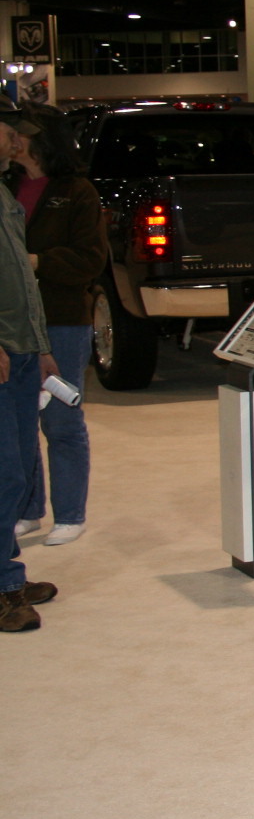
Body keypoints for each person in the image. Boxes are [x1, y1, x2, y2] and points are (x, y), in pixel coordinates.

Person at [8, 109, 107, 546]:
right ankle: (29, 508)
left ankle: (70, 512)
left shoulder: (77, 191)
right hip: (13, 321)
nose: (13, 140)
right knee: (17, 421)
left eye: (20, 133)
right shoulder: (9, 186)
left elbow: (91, 259)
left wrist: (38, 263)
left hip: (63, 319)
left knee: (62, 418)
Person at [0, 112, 60, 632]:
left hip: (19, 352)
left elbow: (20, 278)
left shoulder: (4, 193)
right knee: (5, 473)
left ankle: (8, 574)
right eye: (8, 130)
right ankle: (3, 587)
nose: (18, 140)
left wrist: (38, 346)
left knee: (17, 469)